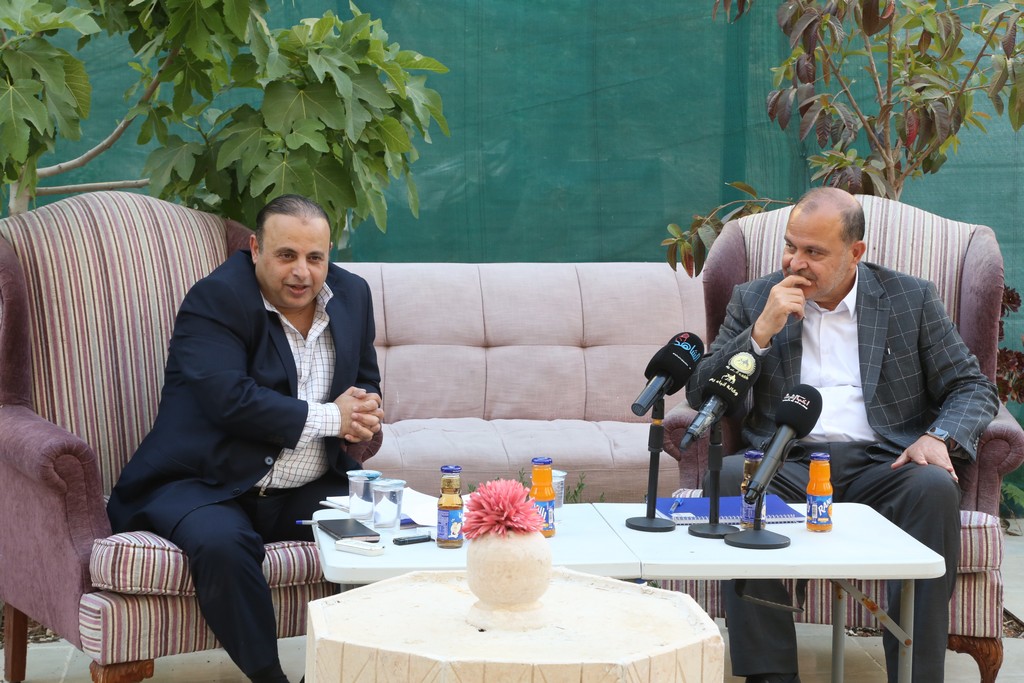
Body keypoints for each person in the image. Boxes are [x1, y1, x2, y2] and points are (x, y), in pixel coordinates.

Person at [686, 187, 999, 683]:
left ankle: (916, 676)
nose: (796, 262)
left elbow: (972, 386)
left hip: (885, 462)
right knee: (729, 481)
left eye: (814, 251)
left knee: (935, 487)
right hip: (787, 461)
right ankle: (772, 676)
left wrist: (939, 437)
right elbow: (702, 392)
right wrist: (759, 334)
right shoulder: (756, 299)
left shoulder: (910, 298)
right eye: (791, 246)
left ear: (855, 253)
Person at [107, 194, 384, 683]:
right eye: (286, 255)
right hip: (205, 484)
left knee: (382, 533)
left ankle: (337, 672)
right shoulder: (216, 299)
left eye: (315, 257)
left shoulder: (353, 295)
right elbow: (230, 400)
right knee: (223, 546)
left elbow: (364, 380)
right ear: (255, 249)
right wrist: (332, 418)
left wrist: (363, 413)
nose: (301, 272)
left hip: (303, 491)